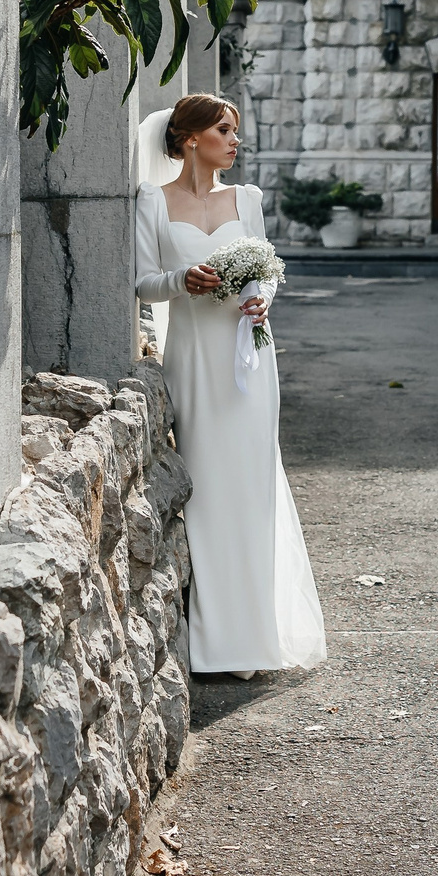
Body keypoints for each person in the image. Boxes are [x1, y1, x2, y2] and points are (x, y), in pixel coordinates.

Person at [131, 93, 328, 678]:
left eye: (235, 131)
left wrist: (261, 301)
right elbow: (143, 282)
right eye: (225, 129)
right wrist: (181, 279)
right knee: (208, 489)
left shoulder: (248, 199)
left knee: (252, 485)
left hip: (249, 365)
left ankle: (252, 638)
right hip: (193, 361)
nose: (235, 140)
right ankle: (211, 641)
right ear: (191, 138)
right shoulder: (152, 201)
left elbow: (265, 272)